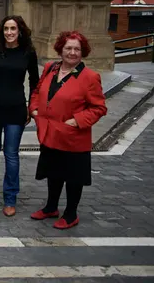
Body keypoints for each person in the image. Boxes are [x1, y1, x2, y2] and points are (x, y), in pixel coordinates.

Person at [29, 31, 107, 229]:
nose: (72, 53)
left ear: (83, 52)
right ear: (60, 50)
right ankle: (51, 207)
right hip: (50, 133)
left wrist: (77, 121)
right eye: (68, 48)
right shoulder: (50, 68)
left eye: (77, 49)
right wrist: (35, 109)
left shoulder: (90, 77)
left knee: (73, 177)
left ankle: (71, 214)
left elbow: (99, 108)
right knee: (53, 172)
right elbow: (37, 91)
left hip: (73, 137)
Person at [0, 15, 39, 217]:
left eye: (13, 28)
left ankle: (10, 198)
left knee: (11, 155)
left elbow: (35, 82)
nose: (9, 32)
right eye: (5, 29)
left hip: (15, 110)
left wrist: (31, 106)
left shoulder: (28, 52)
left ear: (20, 30)